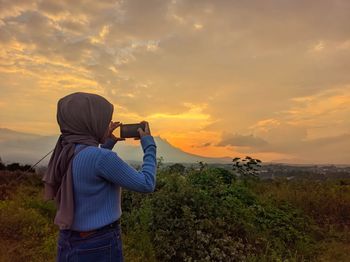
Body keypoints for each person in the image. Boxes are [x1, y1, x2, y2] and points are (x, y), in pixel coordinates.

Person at [42, 92, 157, 262]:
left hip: (68, 240)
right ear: (91, 122)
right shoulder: (101, 158)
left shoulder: (66, 151)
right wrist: (149, 145)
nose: (108, 123)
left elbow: (88, 170)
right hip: (98, 244)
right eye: (104, 120)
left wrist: (106, 143)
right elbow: (147, 183)